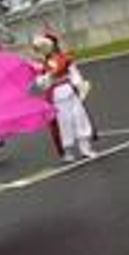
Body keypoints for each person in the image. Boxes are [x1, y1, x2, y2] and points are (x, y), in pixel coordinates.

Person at [32, 33, 97, 161]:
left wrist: (80, 86)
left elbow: (74, 74)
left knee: (79, 118)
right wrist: (46, 78)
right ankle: (67, 152)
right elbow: (41, 84)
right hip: (57, 97)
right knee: (63, 123)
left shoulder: (65, 59)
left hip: (70, 92)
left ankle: (85, 149)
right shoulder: (42, 65)